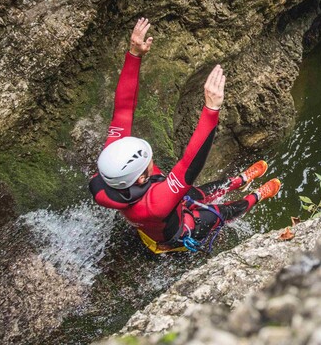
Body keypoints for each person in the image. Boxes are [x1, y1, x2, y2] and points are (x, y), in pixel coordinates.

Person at [89, 17, 281, 253]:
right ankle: (255, 197)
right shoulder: (154, 204)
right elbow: (190, 164)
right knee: (220, 213)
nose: (152, 159)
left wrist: (134, 54)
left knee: (205, 191)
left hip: (165, 208)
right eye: (148, 160)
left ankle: (238, 181)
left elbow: (123, 109)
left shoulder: (113, 163)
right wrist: (211, 108)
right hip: (178, 231)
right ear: (140, 178)